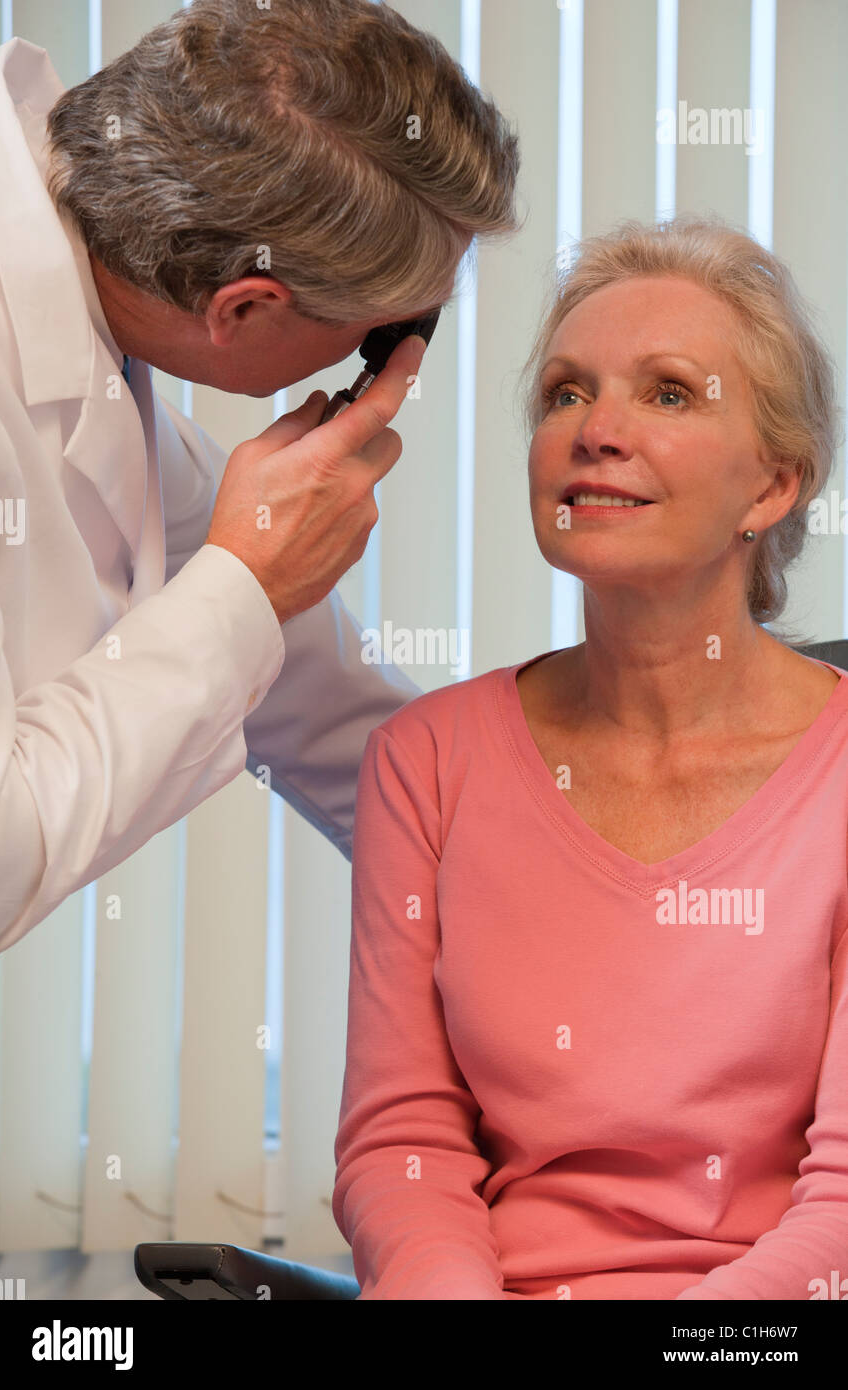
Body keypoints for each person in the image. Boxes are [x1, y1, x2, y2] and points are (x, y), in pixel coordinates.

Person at [0, 0, 520, 1224]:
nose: (396, 371)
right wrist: (246, 584)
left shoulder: (78, 295)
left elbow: (311, 700)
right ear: (245, 310)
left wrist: (533, 854)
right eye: (390, 336)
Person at [333, 214, 848, 1300]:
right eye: (565, 391)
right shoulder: (425, 761)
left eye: (667, 392)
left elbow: (840, 1205)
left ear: (768, 487)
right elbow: (403, 1147)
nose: (593, 428)